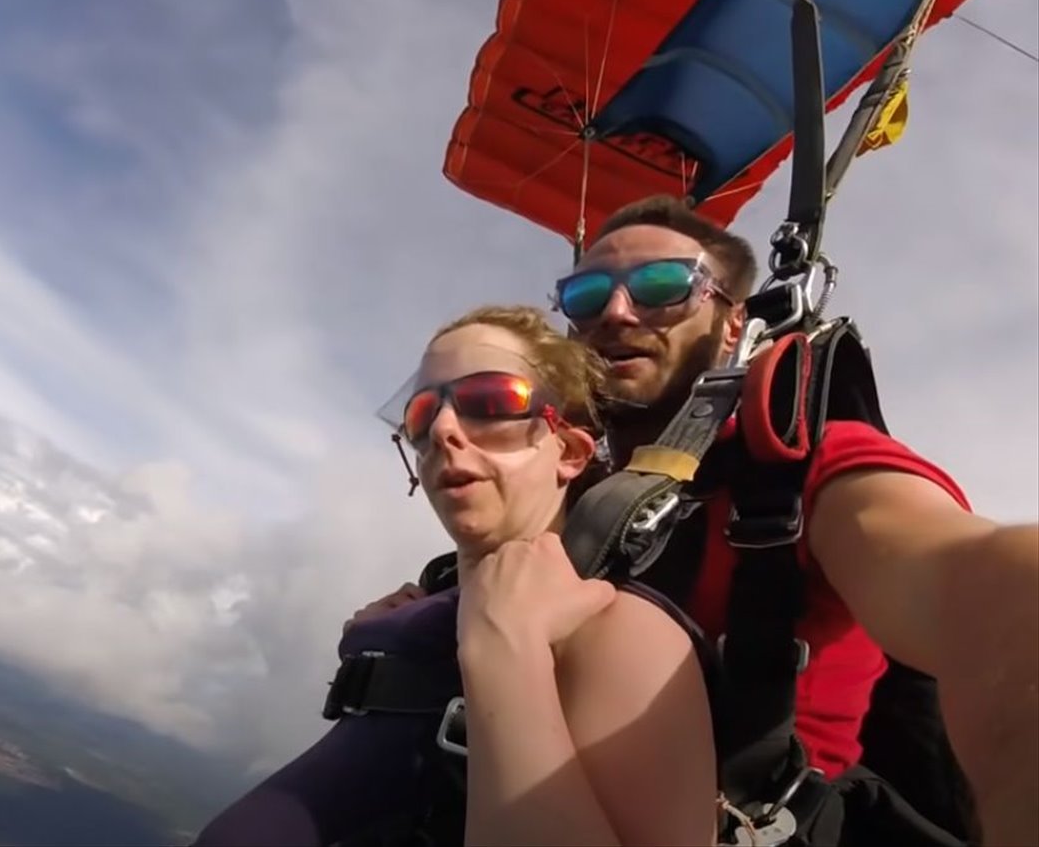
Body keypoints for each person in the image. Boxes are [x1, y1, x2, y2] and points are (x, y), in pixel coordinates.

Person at [352, 195, 1039, 847]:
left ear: (733, 323)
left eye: (661, 285)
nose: (616, 313)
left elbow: (971, 586)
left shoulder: (799, 470)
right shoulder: (570, 510)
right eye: (587, 297)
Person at [196, 305, 720, 846]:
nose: (443, 429)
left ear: (567, 452)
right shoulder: (423, 614)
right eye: (422, 415)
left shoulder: (615, 630)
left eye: (491, 402)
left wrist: (504, 651)